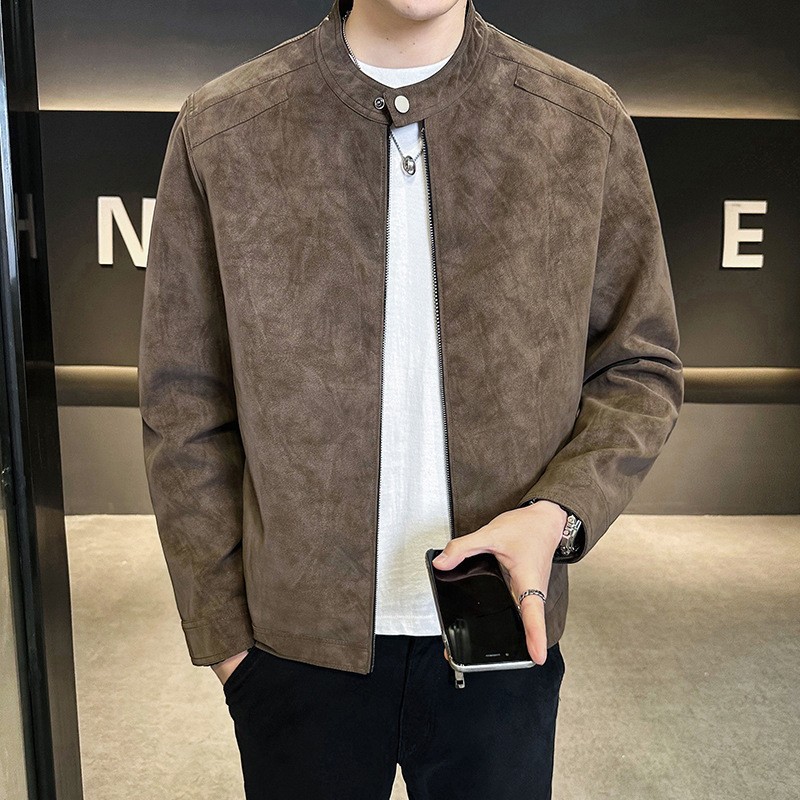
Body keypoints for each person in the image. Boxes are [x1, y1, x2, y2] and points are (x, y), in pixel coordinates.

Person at [138, 0, 684, 797]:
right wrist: (226, 643)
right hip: (294, 656)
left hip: (503, 636)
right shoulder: (224, 127)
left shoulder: (581, 123)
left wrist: (556, 515)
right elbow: (183, 402)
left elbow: (639, 368)